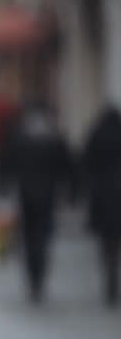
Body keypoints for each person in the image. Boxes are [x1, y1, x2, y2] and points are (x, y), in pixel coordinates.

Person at [0, 100, 73, 304]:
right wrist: (71, 191)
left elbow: (6, 162)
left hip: (26, 194)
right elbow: (66, 166)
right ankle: (39, 275)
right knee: (43, 236)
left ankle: (33, 277)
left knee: (29, 236)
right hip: (48, 194)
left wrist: (1, 187)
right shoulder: (54, 137)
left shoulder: (19, 137)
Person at [83, 105, 121, 308]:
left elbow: (86, 161)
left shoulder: (96, 134)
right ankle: (113, 276)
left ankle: (110, 276)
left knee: (107, 242)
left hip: (102, 196)